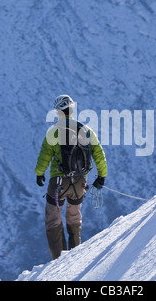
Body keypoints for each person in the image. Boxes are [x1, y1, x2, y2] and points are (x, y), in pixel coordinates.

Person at [35, 95, 107, 259]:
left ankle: (59, 260)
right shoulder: (87, 130)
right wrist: (101, 176)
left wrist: (39, 174)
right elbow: (99, 155)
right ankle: (74, 257)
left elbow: (44, 157)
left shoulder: (53, 132)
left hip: (58, 182)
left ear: (57, 112)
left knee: (53, 218)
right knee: (74, 216)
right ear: (72, 110)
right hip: (80, 182)